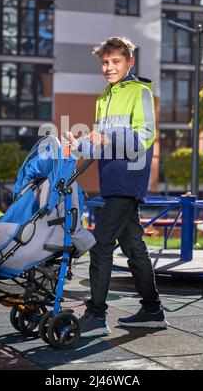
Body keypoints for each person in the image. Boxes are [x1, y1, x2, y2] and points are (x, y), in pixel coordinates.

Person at [63, 36, 168, 337]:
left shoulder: (140, 91)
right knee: (134, 249)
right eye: (105, 63)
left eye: (115, 62)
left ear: (129, 62)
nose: (109, 67)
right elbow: (99, 145)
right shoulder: (103, 98)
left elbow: (144, 137)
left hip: (128, 181)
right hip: (112, 182)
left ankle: (96, 314)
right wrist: (80, 143)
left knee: (101, 246)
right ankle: (152, 310)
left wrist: (106, 139)